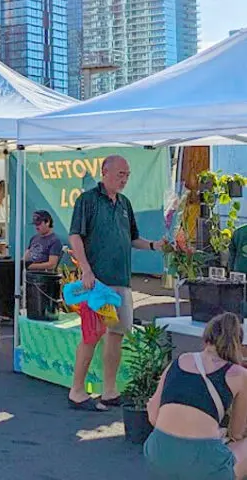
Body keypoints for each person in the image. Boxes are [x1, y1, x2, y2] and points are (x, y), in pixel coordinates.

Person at [68, 155, 167, 412]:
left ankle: (109, 391)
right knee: (91, 337)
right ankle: (76, 392)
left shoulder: (125, 203)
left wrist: (155, 246)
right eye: (120, 174)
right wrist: (86, 270)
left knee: (116, 335)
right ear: (104, 172)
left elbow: (133, 238)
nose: (124, 179)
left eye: (127, 174)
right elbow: (75, 237)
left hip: (121, 283)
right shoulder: (87, 201)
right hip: (97, 285)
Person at [145, 312, 247, 479]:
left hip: (158, 454)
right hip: (202, 463)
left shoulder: (178, 361)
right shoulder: (239, 374)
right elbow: (236, 433)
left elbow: (154, 416)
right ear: (237, 344)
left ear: (206, 339)